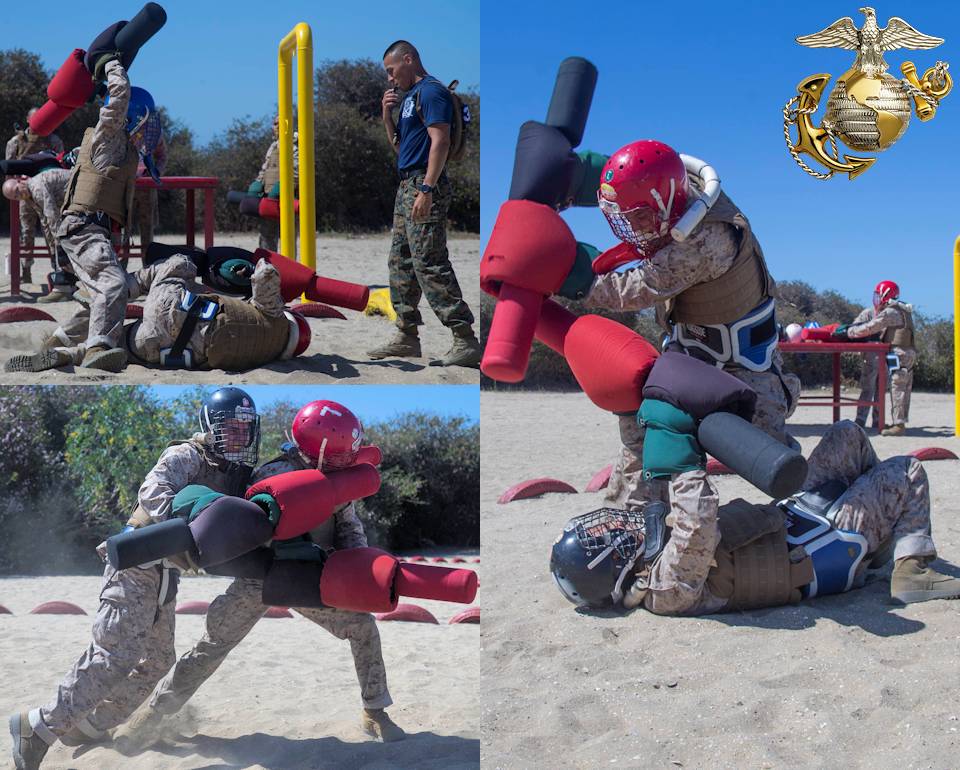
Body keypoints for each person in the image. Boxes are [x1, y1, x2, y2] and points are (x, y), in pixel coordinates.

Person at [112, 399, 405, 749]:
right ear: (322, 447)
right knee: (212, 647)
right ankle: (154, 715)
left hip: (312, 577)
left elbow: (350, 532)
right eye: (343, 452)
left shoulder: (339, 483)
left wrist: (357, 574)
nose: (347, 459)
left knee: (363, 626)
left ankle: (375, 711)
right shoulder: (272, 476)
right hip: (261, 577)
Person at [8, 388, 261, 770]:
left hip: (166, 577)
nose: (240, 438)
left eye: (246, 430)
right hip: (136, 565)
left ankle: (91, 727)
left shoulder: (234, 475)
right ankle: (38, 726)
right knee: (114, 655)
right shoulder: (186, 456)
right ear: (211, 427)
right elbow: (153, 490)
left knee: (159, 659)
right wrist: (192, 525)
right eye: (232, 429)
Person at [557, 140, 800, 512]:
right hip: (690, 352)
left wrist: (566, 277)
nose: (633, 228)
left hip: (743, 364)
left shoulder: (705, 237)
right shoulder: (676, 193)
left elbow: (635, 290)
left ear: (666, 198)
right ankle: (632, 515)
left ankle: (825, 496)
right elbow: (632, 174)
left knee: (770, 457)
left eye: (639, 216)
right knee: (647, 420)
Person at [553, 420, 960, 615]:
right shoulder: (667, 586)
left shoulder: (647, 555)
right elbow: (699, 515)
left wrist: (639, 423)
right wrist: (683, 447)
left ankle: (885, 540)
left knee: (846, 435)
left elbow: (634, 487)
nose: (614, 530)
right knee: (906, 471)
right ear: (611, 571)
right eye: (604, 541)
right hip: (824, 549)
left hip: (796, 520)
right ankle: (911, 570)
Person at [367, 39, 481, 368]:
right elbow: (400, 149)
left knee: (429, 262)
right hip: (408, 184)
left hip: (423, 184)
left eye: (391, 70)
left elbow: (440, 141)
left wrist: (427, 188)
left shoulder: (431, 92)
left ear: (408, 59)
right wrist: (386, 115)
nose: (390, 78)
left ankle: (465, 339)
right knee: (400, 262)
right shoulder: (408, 99)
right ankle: (406, 336)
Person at [4, 253, 311, 372]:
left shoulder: (273, 316)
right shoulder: (264, 355)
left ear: (291, 321)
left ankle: (115, 293)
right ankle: (73, 354)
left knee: (179, 263)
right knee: (121, 343)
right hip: (168, 352)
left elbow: (265, 275)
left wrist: (251, 268)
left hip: (176, 307)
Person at [52, 62, 160, 372]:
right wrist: (113, 65)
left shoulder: (122, 149)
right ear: (132, 117)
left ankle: (58, 340)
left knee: (107, 294)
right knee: (112, 286)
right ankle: (99, 348)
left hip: (89, 229)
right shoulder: (108, 136)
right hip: (83, 226)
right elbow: (119, 96)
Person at [844, 280, 916, 437]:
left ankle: (898, 425)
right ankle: (887, 422)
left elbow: (871, 327)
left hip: (897, 353)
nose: (876, 299)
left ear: (885, 295)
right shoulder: (903, 309)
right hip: (897, 353)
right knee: (895, 388)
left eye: (879, 295)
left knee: (897, 388)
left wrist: (849, 333)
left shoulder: (890, 312)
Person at [5, 109, 65, 285]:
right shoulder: (16, 141)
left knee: (51, 231)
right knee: (27, 232)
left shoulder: (53, 140)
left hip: (49, 191)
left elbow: (61, 161)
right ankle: (26, 270)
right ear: (28, 119)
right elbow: (9, 169)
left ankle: (58, 268)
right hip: (24, 193)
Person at [1, 169, 76, 302]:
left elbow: (52, 217)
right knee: (60, 250)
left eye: (17, 191)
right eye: (16, 197)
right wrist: (53, 250)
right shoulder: (29, 195)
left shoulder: (36, 188)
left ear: (20, 182)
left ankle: (67, 287)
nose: (19, 195)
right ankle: (65, 286)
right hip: (71, 201)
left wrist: (59, 246)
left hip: (82, 195)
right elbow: (45, 222)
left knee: (70, 244)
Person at [250, 114, 297, 252]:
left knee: (288, 235)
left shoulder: (294, 144)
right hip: (268, 198)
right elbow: (266, 169)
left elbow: (297, 170)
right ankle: (267, 267)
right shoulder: (273, 146)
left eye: (280, 124)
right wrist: (257, 184)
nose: (276, 127)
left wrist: (284, 187)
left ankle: (289, 268)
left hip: (286, 198)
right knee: (266, 236)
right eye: (275, 124)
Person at [123, 133, 167, 254]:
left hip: (147, 186)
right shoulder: (123, 128)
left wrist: (156, 173)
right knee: (123, 225)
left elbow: (162, 156)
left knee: (147, 227)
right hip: (125, 185)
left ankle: (147, 264)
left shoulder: (153, 131)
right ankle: (122, 264)